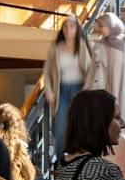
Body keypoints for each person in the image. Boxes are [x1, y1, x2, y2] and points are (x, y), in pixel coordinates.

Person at [88, 11, 125, 167]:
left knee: (124, 127)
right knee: (103, 126)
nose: (101, 30)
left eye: (102, 26)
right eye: (100, 26)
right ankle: (105, 161)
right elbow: (92, 73)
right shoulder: (99, 46)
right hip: (105, 92)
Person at [41, 17, 95, 168]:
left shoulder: (83, 45)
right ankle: (61, 163)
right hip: (61, 90)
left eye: (72, 26)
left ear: (77, 29)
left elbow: (91, 70)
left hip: (79, 90)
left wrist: (87, 90)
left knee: (79, 126)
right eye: (65, 26)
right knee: (60, 128)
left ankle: (79, 162)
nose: (68, 29)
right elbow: (47, 72)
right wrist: (50, 93)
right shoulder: (55, 47)